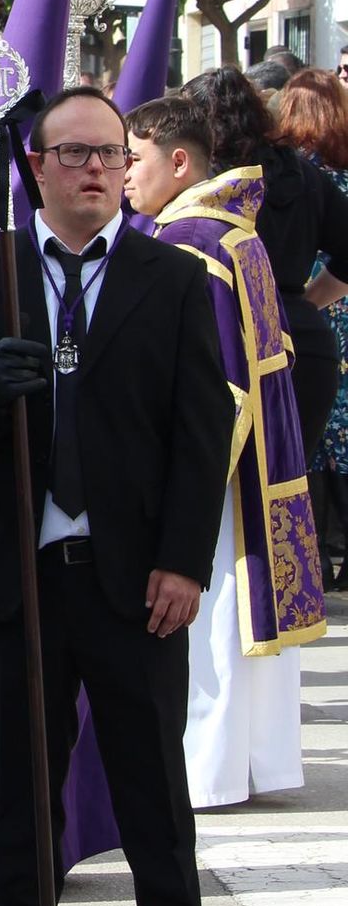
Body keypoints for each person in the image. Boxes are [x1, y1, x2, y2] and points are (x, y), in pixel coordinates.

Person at [0, 87, 232, 906]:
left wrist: (183, 562)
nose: (96, 168)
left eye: (111, 153)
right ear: (37, 167)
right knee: (24, 783)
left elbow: (199, 432)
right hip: (24, 572)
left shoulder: (171, 279)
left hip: (136, 579)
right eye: (75, 153)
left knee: (150, 785)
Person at [124, 97, 324, 807]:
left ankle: (206, 770)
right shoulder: (237, 232)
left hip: (221, 470)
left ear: (179, 162)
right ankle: (251, 763)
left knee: (210, 616)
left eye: (133, 158)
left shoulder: (192, 244)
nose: (121, 173)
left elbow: (214, 382)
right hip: (263, 459)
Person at [186, 66, 348, 457]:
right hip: (300, 341)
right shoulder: (305, 173)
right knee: (288, 494)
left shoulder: (201, 180)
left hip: (227, 342)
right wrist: (304, 304)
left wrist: (304, 302)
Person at [270, 68, 348, 589]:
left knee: (301, 448)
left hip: (302, 312)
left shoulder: (290, 173)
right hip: (328, 310)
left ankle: (307, 560)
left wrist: (306, 303)